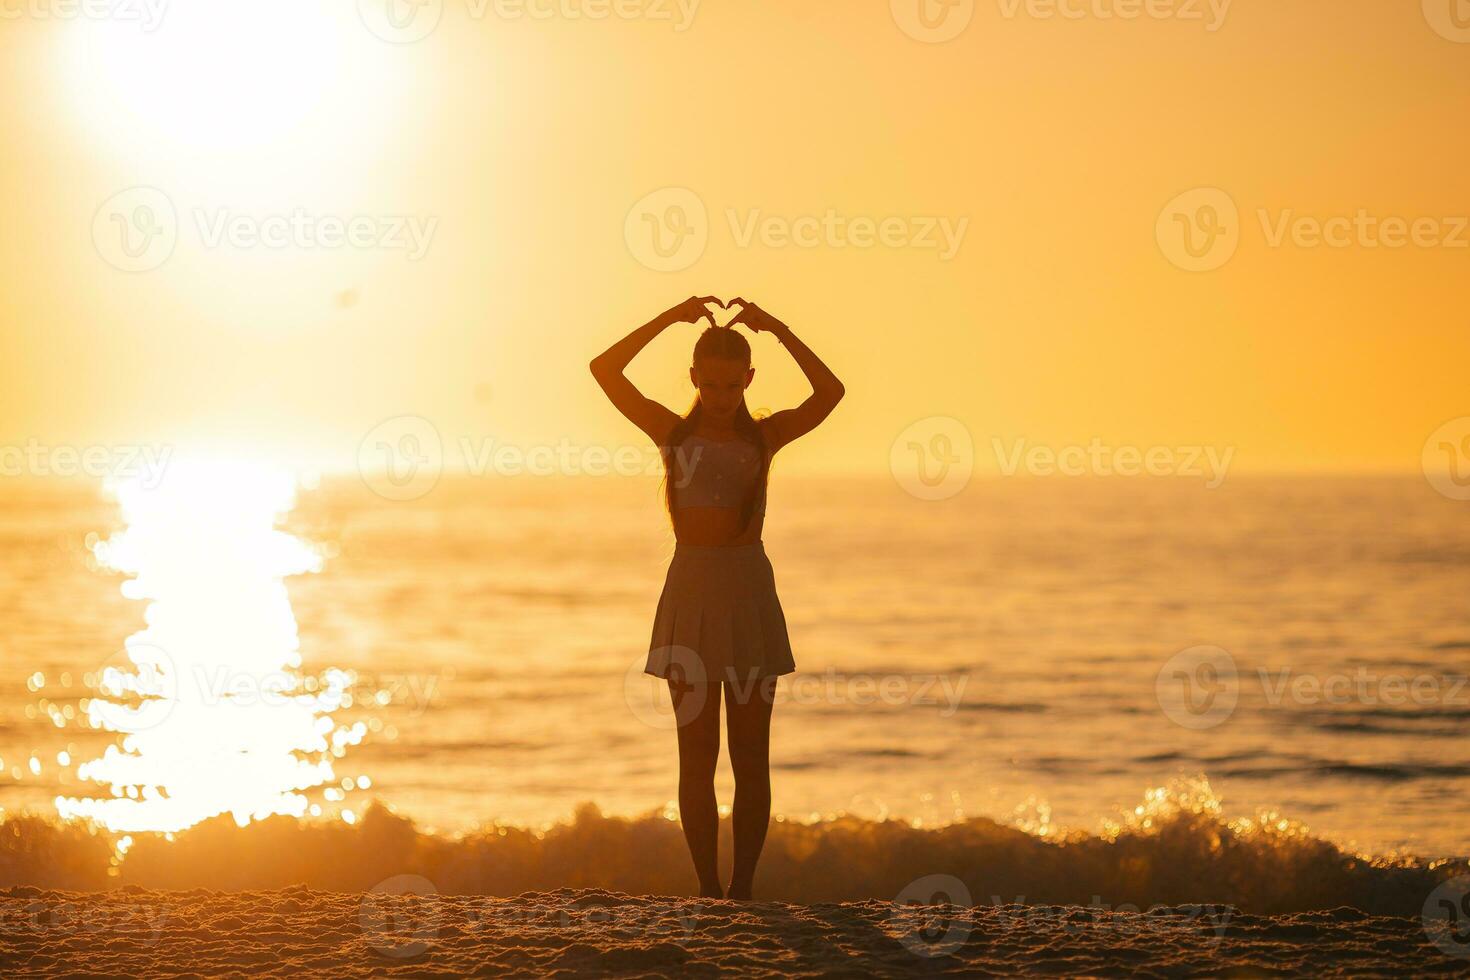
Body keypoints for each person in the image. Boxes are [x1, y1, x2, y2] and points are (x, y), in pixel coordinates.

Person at [589, 296, 845, 899]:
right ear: (695, 379)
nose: (724, 395)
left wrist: (779, 327)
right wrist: (667, 318)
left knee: (751, 759)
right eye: (712, 384)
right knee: (696, 757)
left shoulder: (766, 436)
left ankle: (743, 888)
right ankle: (707, 889)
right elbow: (604, 370)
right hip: (690, 597)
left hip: (750, 597)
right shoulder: (672, 433)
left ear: (749, 380)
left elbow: (830, 393)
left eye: (734, 384)